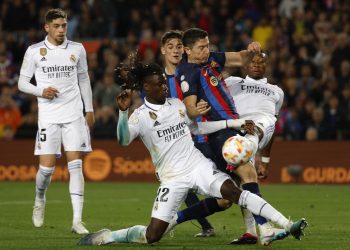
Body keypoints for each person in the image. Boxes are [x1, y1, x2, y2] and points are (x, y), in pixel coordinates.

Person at [78, 62, 307, 246]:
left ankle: (287, 224)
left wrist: (234, 123)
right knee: (152, 235)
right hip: (172, 177)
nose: (165, 87)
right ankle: (110, 236)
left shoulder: (177, 104)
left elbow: (197, 128)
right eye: (160, 84)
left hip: (197, 166)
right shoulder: (139, 116)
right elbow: (123, 141)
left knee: (233, 192)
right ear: (147, 88)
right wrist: (122, 113)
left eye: (164, 83)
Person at [175, 28, 286, 245]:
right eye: (201, 47)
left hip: (232, 131)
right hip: (217, 135)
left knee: (227, 198)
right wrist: (197, 109)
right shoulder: (188, 72)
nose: (207, 50)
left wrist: (251, 48)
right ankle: (265, 228)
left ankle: (172, 220)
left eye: (208, 45)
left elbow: (240, 56)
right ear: (187, 50)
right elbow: (190, 110)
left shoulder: (211, 60)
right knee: (247, 176)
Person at [18, 8, 94, 234]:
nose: (62, 30)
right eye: (57, 26)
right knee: (47, 169)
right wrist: (42, 90)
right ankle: (40, 198)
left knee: (76, 165)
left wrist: (88, 109)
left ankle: (77, 220)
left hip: (73, 114)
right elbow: (22, 83)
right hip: (49, 116)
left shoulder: (77, 49)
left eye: (64, 26)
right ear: (47, 27)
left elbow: (84, 79)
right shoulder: (34, 51)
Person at [224, 52, 285, 244]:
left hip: (254, 135)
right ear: (245, 65)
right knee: (227, 196)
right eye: (253, 62)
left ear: (267, 66)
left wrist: (265, 161)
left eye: (261, 62)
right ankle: (254, 231)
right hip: (233, 134)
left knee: (246, 181)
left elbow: (271, 126)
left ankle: (257, 230)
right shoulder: (233, 82)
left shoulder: (276, 91)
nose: (257, 65)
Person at [160, 30, 215, 237]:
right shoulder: (159, 81)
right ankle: (206, 226)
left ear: (185, 49)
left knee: (225, 183)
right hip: (178, 141)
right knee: (184, 186)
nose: (175, 50)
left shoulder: (195, 72)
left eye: (179, 46)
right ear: (163, 50)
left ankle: (250, 218)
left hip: (204, 135)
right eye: (171, 46)